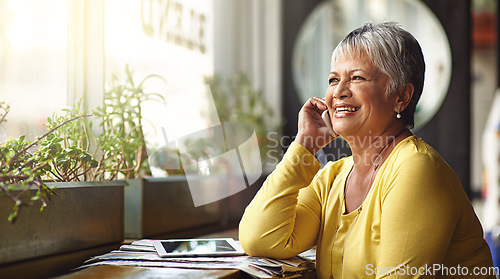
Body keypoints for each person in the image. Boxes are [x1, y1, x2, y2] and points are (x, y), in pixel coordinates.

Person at [239, 22, 495, 278]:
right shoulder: (334, 177)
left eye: (357, 78)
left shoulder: (415, 169)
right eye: (333, 79)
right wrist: (304, 146)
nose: (338, 92)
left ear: (401, 97)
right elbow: (260, 238)